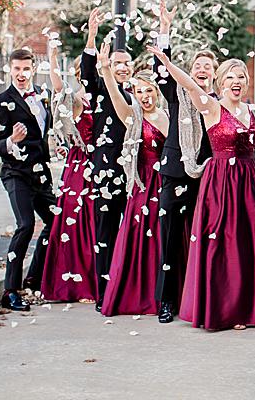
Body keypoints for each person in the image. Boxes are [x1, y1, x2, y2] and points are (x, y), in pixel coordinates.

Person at [149, 49, 255, 331]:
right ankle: (219, 307)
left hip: (248, 182)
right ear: (220, 82)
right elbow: (188, 85)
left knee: (245, 244)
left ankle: (245, 308)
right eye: (230, 77)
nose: (236, 81)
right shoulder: (212, 107)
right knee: (220, 242)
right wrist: (167, 63)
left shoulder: (254, 112)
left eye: (241, 77)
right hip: (221, 182)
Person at [152, 0, 216, 324]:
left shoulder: (218, 105)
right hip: (175, 175)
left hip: (207, 180)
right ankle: (165, 301)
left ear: (214, 76)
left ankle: (201, 299)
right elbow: (161, 71)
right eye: (197, 66)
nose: (202, 70)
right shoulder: (177, 98)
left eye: (207, 67)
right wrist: (165, 28)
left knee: (205, 242)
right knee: (169, 238)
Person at [97, 44, 169, 317]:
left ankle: (162, 297)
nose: (145, 96)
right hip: (140, 184)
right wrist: (105, 69)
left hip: (161, 182)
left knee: (161, 236)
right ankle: (132, 293)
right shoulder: (132, 116)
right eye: (140, 92)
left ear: (156, 92)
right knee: (137, 234)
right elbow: (116, 98)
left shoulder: (164, 118)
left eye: (149, 90)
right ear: (135, 95)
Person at [0, 48, 56, 312]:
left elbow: (45, 133)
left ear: (33, 69)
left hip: (40, 173)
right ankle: (10, 291)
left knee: (56, 221)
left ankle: (34, 276)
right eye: (16, 69)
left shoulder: (43, 95)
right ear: (10, 69)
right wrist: (11, 141)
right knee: (26, 225)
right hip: (16, 173)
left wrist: (56, 147)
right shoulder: (2, 101)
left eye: (25, 69)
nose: (21, 74)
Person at [80, 8, 134, 311]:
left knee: (134, 234)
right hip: (106, 172)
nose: (122, 67)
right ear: (109, 66)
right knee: (105, 233)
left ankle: (128, 287)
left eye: (126, 63)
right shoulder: (100, 91)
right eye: (117, 63)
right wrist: (91, 36)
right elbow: (87, 77)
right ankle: (104, 293)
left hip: (137, 174)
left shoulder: (141, 93)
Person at [40, 40, 99, 303]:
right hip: (80, 164)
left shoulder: (109, 97)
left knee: (98, 224)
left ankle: (97, 279)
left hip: (104, 166)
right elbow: (59, 88)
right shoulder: (76, 100)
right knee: (77, 221)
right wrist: (53, 61)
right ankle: (77, 284)